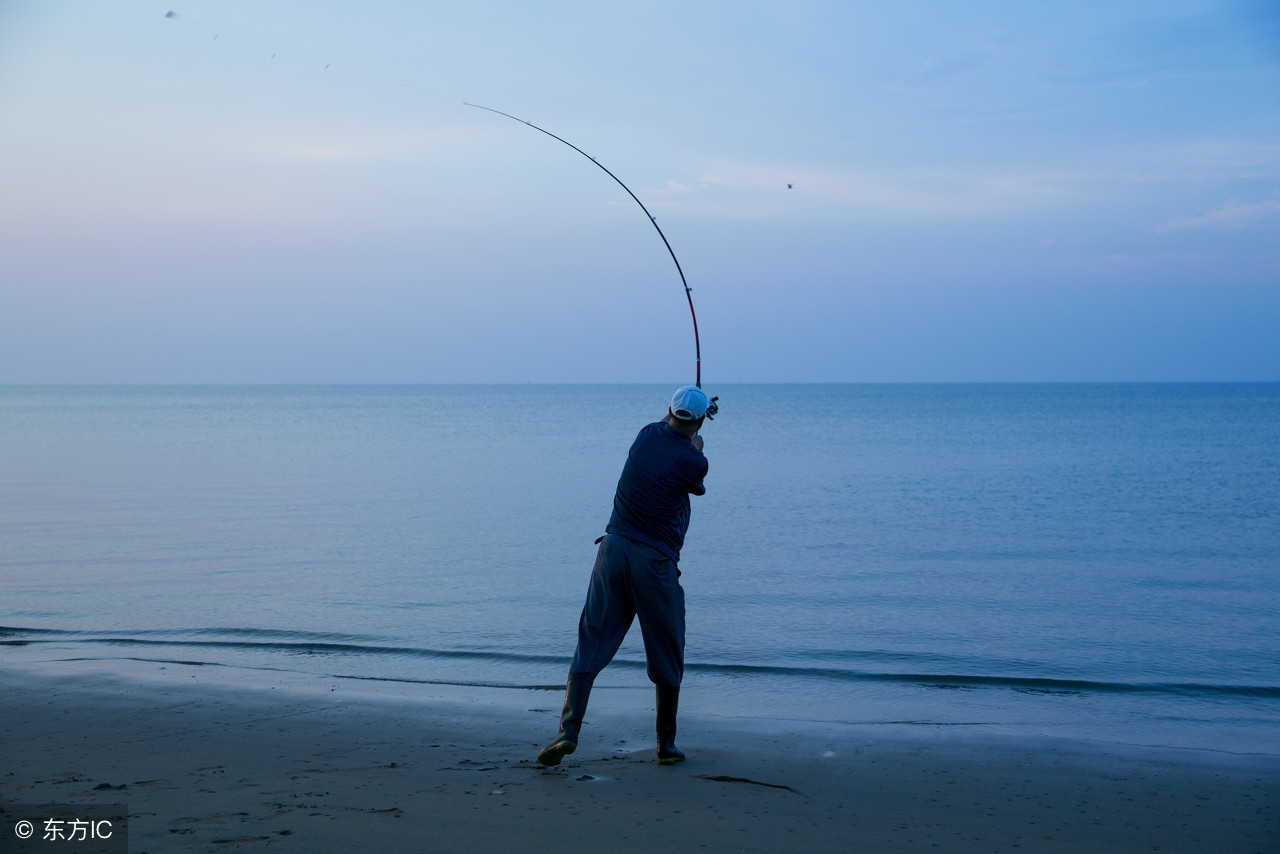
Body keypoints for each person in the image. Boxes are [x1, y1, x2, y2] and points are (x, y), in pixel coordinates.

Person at [536, 385, 712, 766]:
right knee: (667, 648)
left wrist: (692, 427)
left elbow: (669, 437)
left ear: (668, 410)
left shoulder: (645, 435)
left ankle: (567, 732)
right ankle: (666, 745)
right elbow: (693, 478)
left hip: (612, 550)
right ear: (698, 420)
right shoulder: (695, 461)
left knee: (591, 641)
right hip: (654, 562)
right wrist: (697, 442)